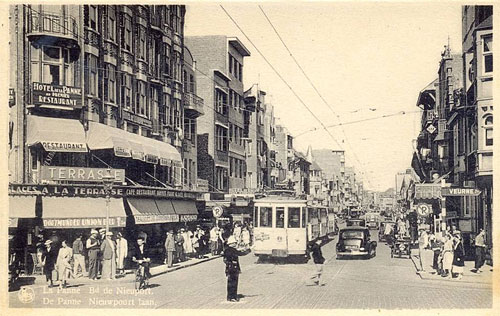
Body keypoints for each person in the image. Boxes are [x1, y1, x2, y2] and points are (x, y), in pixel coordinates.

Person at [223, 236, 250, 302]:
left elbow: (224, 259)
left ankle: (229, 296)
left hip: (229, 268)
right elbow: (241, 253)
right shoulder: (232, 250)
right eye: (235, 243)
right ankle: (233, 297)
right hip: (233, 268)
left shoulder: (226, 250)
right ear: (231, 243)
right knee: (234, 283)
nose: (236, 244)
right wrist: (248, 250)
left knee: (230, 283)